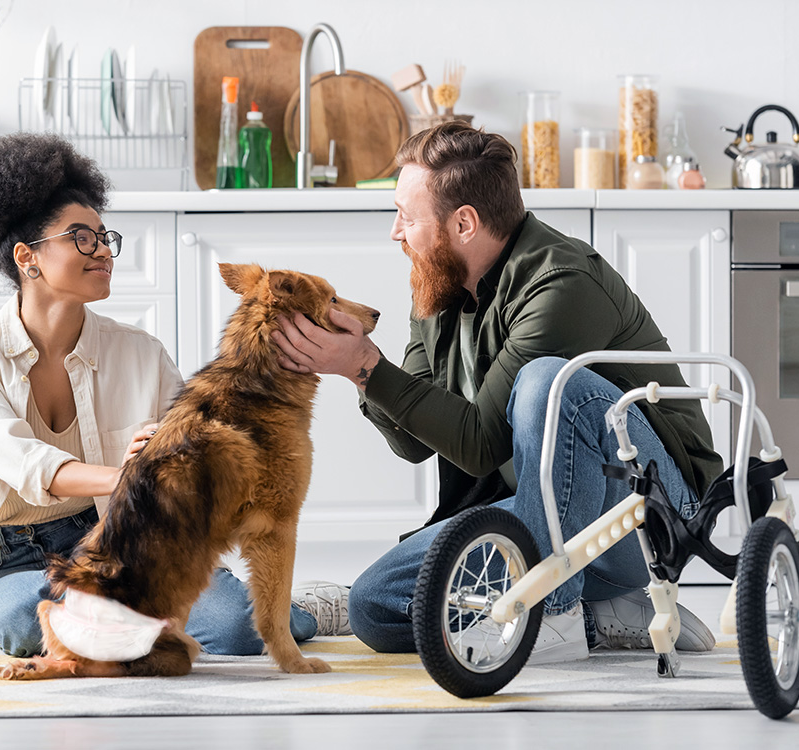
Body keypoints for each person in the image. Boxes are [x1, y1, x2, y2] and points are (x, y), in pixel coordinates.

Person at [272, 122, 722, 663]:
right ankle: (607, 613)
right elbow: (414, 443)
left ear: (464, 222)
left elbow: (481, 445)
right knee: (377, 606)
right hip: (542, 506)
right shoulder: (436, 284)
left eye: (407, 217)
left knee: (550, 383)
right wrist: (357, 371)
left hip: (648, 513)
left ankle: (553, 613)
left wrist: (367, 364)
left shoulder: (561, 283)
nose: (395, 232)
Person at [0, 132, 348, 659]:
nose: (103, 250)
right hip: (14, 555)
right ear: (27, 257)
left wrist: (172, 453)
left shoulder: (140, 352)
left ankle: (307, 608)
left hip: (128, 539)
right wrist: (132, 472)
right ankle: (122, 626)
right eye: (81, 237)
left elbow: (191, 458)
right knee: (28, 625)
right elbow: (24, 461)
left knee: (238, 629)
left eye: (105, 237)